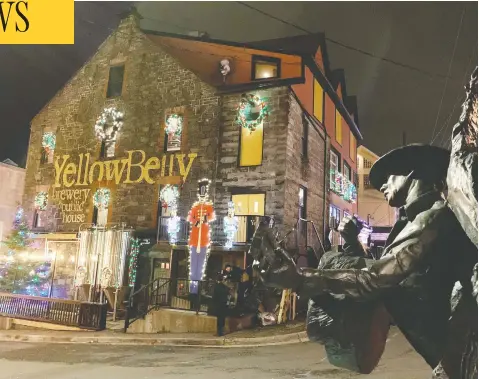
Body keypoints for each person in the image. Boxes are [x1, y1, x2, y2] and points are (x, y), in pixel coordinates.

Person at [250, 144, 477, 379]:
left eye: (388, 176)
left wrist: (299, 278)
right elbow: (385, 272)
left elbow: (377, 279)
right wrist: (352, 243)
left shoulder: (434, 216)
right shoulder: (417, 220)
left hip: (463, 355)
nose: (381, 186)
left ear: (410, 172)